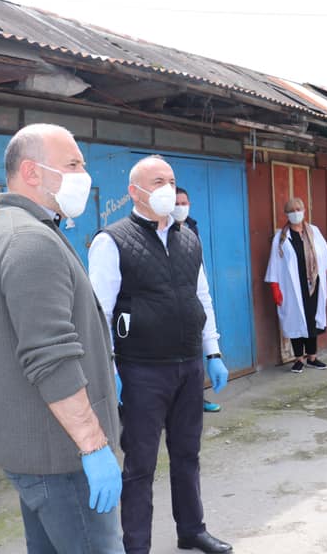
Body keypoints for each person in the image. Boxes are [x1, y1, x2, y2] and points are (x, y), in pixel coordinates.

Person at [0, 123, 124, 552]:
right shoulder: (30, 242)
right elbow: (51, 359)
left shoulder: (16, 229)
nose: (84, 176)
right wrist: (93, 446)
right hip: (63, 457)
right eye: (72, 165)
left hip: (42, 453)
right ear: (31, 172)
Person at [89, 155, 232, 554]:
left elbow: (201, 296)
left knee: (187, 454)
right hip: (141, 370)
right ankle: (136, 546)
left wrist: (212, 351)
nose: (167, 188)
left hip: (188, 364)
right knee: (140, 464)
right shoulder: (112, 240)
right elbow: (98, 312)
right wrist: (109, 366)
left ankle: (192, 530)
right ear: (134, 191)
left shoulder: (188, 238)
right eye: (157, 182)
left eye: (170, 180)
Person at [264, 197, 327, 373]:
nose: (296, 213)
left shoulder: (314, 231)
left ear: (304, 211)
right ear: (286, 214)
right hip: (291, 287)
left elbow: (325, 256)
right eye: (291, 210)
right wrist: (275, 287)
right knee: (294, 320)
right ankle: (298, 359)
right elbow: (274, 263)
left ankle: (312, 357)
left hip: (313, 284)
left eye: (298, 209)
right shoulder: (281, 238)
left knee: (311, 320)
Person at [174, 187, 221, 414]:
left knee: (193, 354)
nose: (181, 207)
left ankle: (197, 398)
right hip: (168, 306)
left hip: (192, 297)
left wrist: (214, 353)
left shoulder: (192, 229)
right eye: (177, 203)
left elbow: (198, 267)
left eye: (184, 203)